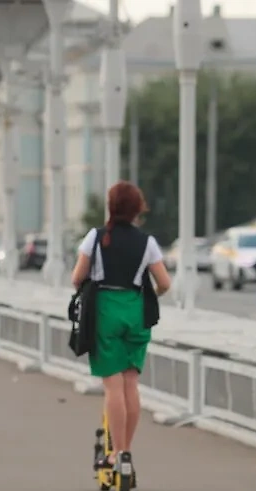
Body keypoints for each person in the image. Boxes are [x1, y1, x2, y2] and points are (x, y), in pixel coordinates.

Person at [70, 181, 171, 470]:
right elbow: (164, 283)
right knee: (131, 384)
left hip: (105, 311)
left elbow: (78, 277)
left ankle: (116, 454)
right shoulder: (147, 242)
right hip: (136, 311)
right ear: (139, 209)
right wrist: (147, 295)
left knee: (113, 387)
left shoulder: (96, 237)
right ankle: (126, 451)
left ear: (110, 207)